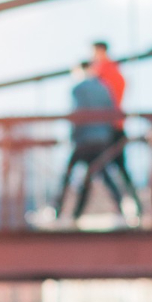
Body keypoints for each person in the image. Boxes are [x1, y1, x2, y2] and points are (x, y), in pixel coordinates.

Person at [57, 61, 123, 222]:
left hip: (83, 139)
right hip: (101, 139)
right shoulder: (104, 88)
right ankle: (120, 209)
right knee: (100, 174)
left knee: (68, 175)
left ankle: (60, 212)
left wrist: (73, 136)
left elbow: (77, 115)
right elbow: (112, 113)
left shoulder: (78, 88)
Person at [90, 40, 143, 221]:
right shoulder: (117, 71)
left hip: (104, 128)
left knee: (97, 166)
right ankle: (134, 204)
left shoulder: (100, 73)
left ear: (99, 51)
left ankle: (121, 205)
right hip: (118, 125)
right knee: (120, 168)